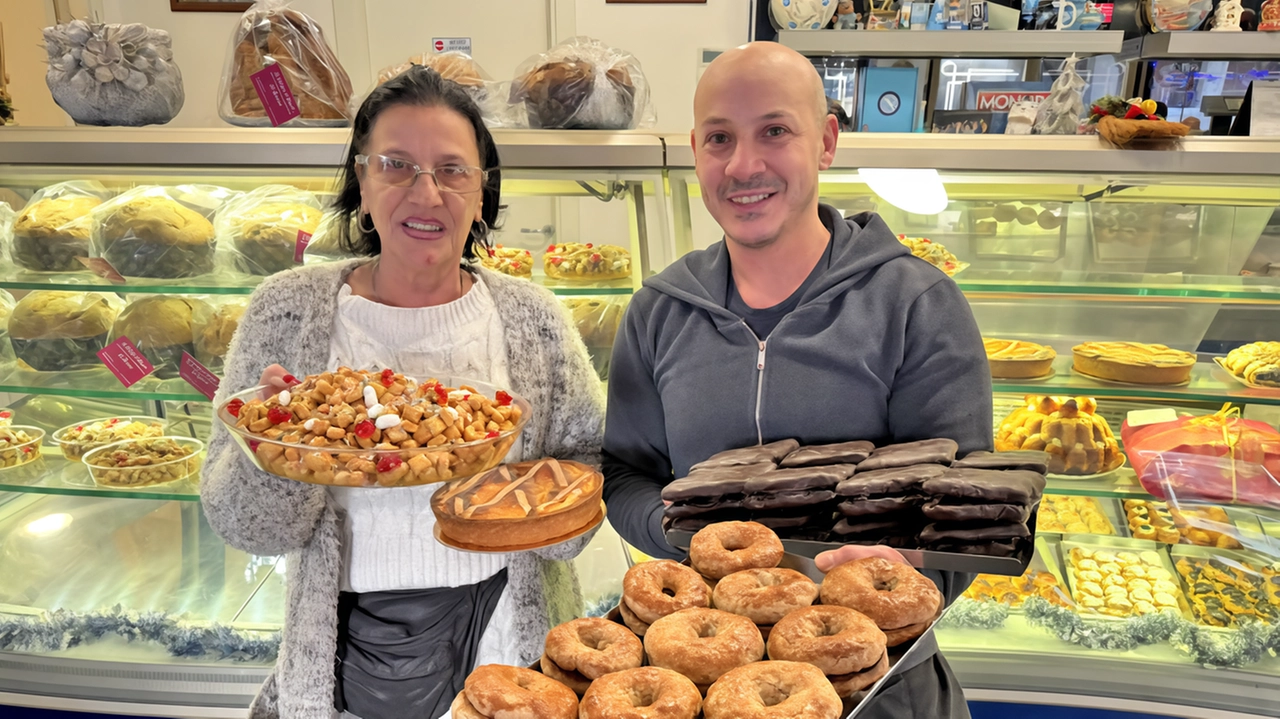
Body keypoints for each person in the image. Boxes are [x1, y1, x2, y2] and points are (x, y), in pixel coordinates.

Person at [201, 66, 605, 719]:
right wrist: (275, 440)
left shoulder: (535, 318)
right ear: (361, 184)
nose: (427, 191)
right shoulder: (285, 310)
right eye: (396, 165)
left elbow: (584, 478)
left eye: (452, 170)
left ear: (481, 194)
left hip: (509, 639)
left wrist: (533, 499)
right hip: (346, 655)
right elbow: (247, 525)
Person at [602, 42, 991, 718]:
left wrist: (908, 567)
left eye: (774, 131)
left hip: (878, 688)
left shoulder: (916, 304)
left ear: (826, 141)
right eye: (720, 138)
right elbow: (625, 473)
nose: (743, 165)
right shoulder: (659, 310)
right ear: (697, 151)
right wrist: (678, 531)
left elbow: (969, 509)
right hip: (706, 679)